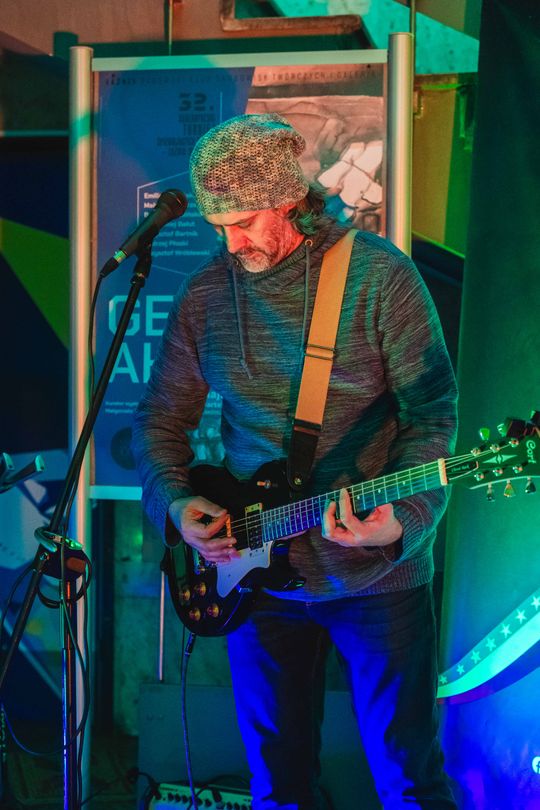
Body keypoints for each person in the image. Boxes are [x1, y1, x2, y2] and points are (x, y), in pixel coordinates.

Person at [132, 113, 459, 809]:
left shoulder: (379, 279)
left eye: (244, 222)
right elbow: (160, 419)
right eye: (218, 226)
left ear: (288, 199)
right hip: (256, 578)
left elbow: (433, 416)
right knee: (277, 785)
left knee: (408, 778)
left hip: (378, 577)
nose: (230, 243)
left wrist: (400, 520)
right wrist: (176, 503)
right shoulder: (207, 295)